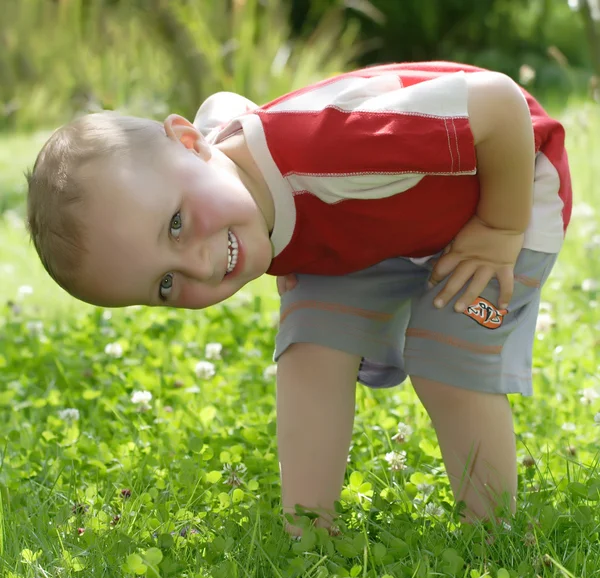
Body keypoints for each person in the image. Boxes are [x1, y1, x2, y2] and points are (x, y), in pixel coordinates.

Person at [26, 62, 571, 535]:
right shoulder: (221, 168)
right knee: (310, 339)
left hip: (508, 190)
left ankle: (491, 532)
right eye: (165, 285)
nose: (200, 264)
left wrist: (500, 228)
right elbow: (223, 105)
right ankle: (310, 530)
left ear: (192, 144)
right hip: (383, 232)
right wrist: (290, 249)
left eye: (175, 224)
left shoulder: (334, 148)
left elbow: (500, 103)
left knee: (448, 343)